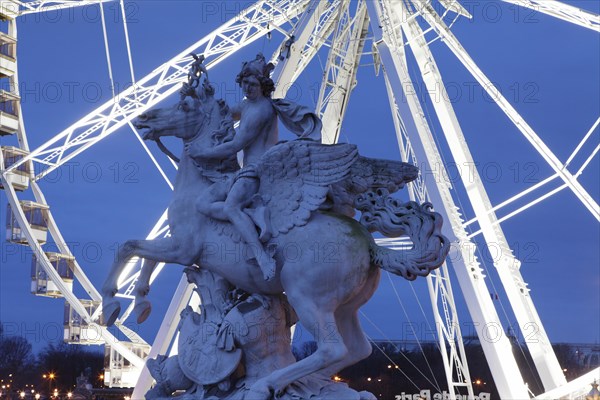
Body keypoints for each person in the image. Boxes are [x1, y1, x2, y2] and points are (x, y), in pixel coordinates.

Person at [189, 54, 279, 281]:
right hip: (243, 172)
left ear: (263, 86)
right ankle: (251, 214)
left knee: (230, 208)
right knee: (201, 203)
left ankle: (261, 255)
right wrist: (201, 94)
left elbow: (237, 144)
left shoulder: (262, 110)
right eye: (245, 83)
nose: (247, 88)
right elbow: (223, 114)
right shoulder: (249, 105)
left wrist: (203, 153)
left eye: (253, 84)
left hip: (258, 171)